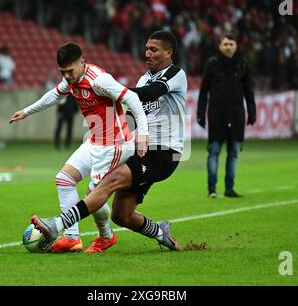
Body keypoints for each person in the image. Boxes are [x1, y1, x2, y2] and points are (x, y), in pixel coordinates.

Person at [30, 30, 187, 251]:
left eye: (154, 49)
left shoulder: (176, 74)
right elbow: (132, 114)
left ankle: (58, 224)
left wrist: (109, 89)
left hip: (165, 151)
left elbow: (151, 93)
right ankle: (161, 232)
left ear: (169, 52)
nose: (147, 53)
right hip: (140, 149)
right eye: (146, 48)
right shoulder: (143, 78)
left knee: (108, 182)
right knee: (122, 215)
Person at [9, 42, 149, 253]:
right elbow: (54, 95)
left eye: (70, 71)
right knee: (64, 179)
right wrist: (27, 111)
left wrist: (143, 135)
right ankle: (72, 237)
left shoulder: (99, 80)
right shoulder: (72, 79)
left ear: (82, 62)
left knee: (94, 195)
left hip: (115, 144)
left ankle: (106, 237)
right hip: (95, 141)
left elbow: (133, 97)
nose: (67, 76)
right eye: (63, 72)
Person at [196, 33, 256, 199]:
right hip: (217, 115)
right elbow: (203, 91)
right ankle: (212, 189)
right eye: (225, 44)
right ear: (220, 46)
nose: (228, 47)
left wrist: (252, 112)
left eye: (231, 43)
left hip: (236, 115)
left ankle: (229, 189)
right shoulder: (212, 64)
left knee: (234, 153)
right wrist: (200, 114)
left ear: (236, 46)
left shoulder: (243, 64)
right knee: (214, 151)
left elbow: (248, 91)